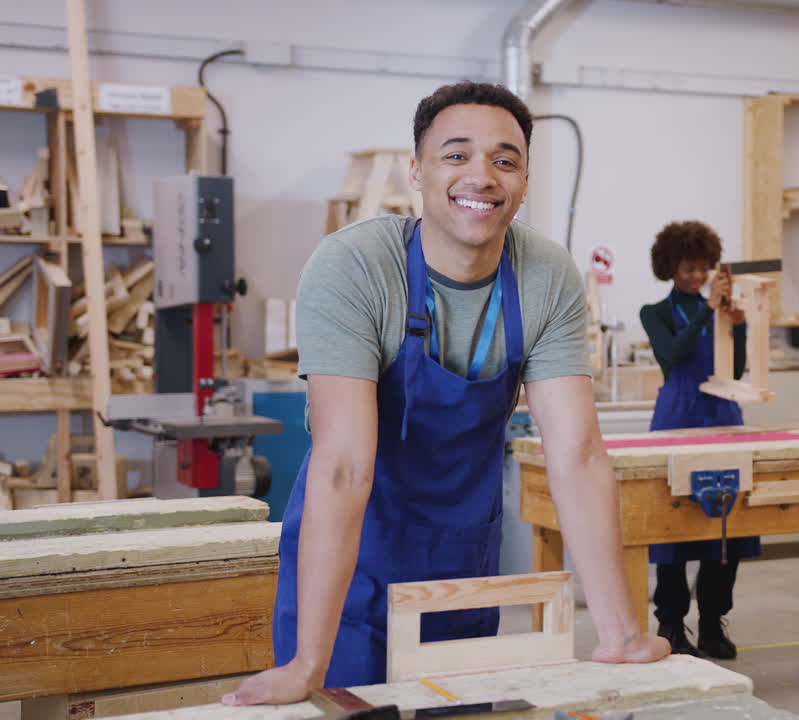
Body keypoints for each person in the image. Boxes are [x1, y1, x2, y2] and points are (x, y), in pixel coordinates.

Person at [224, 82, 668, 705]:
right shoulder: (355, 268)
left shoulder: (546, 275)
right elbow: (345, 466)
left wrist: (620, 631)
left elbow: (578, 456)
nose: (481, 176)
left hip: (461, 560)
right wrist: (305, 663)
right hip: (349, 565)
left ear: (524, 180)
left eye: (505, 160)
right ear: (418, 171)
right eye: (456, 155)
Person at [638, 220, 760, 660]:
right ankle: (670, 622)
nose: (696, 276)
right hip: (677, 417)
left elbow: (738, 370)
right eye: (689, 268)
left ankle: (713, 621)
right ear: (671, 267)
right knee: (672, 527)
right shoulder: (654, 312)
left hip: (723, 414)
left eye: (703, 268)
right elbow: (672, 358)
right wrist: (709, 309)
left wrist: (739, 325)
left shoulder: (720, 310)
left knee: (726, 529)